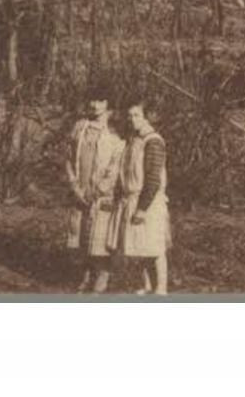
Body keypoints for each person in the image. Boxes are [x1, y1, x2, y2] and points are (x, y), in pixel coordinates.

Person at [111, 99, 171, 295]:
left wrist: (142, 208)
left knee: (155, 247)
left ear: (146, 118)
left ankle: (161, 287)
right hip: (131, 199)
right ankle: (146, 285)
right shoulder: (132, 140)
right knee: (139, 246)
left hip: (149, 202)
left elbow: (153, 179)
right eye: (129, 115)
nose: (132, 119)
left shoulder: (153, 141)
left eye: (137, 115)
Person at [65, 91, 124, 292]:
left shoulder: (115, 133)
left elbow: (115, 167)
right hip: (80, 190)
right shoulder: (80, 127)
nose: (94, 104)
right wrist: (74, 186)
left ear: (107, 104)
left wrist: (97, 191)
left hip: (101, 195)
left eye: (100, 100)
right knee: (82, 235)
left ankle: (103, 274)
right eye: (92, 99)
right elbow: (68, 158)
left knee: (100, 236)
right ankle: (86, 273)